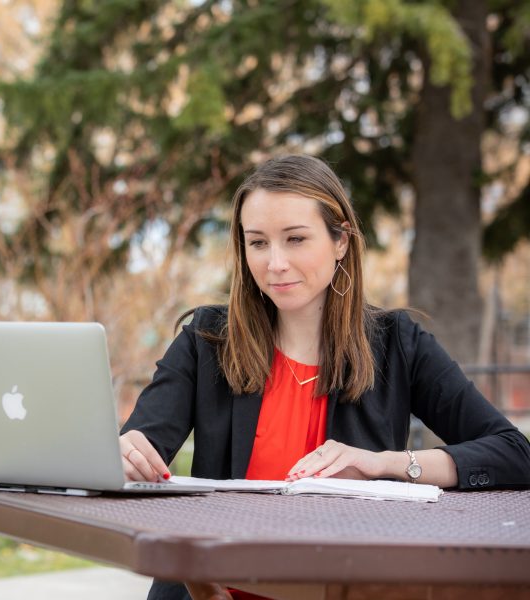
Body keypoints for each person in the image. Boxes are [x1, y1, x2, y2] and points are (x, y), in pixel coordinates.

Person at [118, 154, 530, 600]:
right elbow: (138, 448)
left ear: (341, 241)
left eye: (295, 239)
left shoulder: (398, 344)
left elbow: (514, 453)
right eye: (257, 243)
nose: (275, 263)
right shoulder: (206, 341)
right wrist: (123, 455)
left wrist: (388, 464)